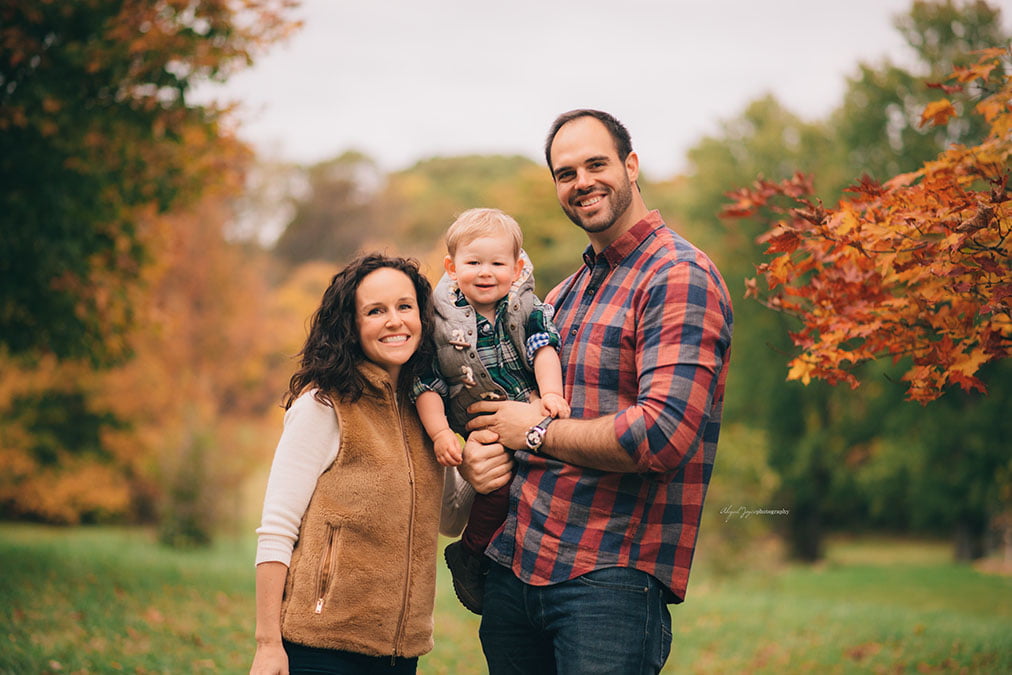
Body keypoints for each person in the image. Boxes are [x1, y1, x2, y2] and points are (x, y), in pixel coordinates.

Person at [460, 110, 734, 674]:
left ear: (631, 166)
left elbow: (660, 436)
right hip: (516, 569)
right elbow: (508, 408)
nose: (581, 181)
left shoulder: (678, 276)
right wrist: (481, 451)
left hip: (608, 580)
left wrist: (533, 431)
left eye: (596, 164)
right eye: (565, 173)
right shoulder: (561, 295)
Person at [249, 253, 503, 675]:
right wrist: (268, 645)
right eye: (375, 311)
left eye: (405, 307)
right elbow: (276, 531)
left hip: (401, 654)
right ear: (351, 326)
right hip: (320, 648)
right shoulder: (325, 405)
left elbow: (449, 520)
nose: (394, 321)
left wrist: (474, 471)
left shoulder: (429, 413)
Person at [412, 207, 570, 615]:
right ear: (451, 267)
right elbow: (427, 384)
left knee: (529, 485)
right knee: (495, 488)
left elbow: (543, 349)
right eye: (473, 263)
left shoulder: (526, 307)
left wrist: (550, 394)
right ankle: (472, 553)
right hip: (478, 426)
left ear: (516, 268)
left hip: (524, 415)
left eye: (497, 263)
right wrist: (441, 435)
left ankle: (491, 556)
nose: (486, 272)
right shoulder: (438, 320)